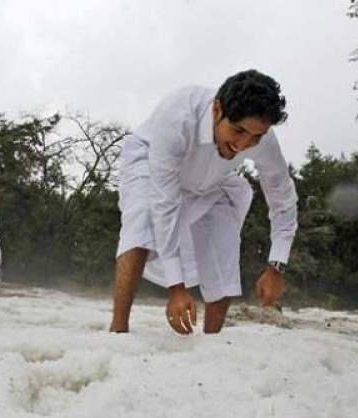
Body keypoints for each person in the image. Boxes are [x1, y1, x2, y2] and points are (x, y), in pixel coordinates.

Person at [109, 70, 297, 335]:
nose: (243, 145)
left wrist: (276, 266)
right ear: (217, 110)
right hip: (151, 163)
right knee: (144, 215)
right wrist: (177, 288)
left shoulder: (262, 139)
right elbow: (165, 204)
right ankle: (118, 329)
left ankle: (212, 340)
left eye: (254, 137)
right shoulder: (177, 116)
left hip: (213, 180)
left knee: (224, 234)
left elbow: (282, 196)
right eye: (238, 130)